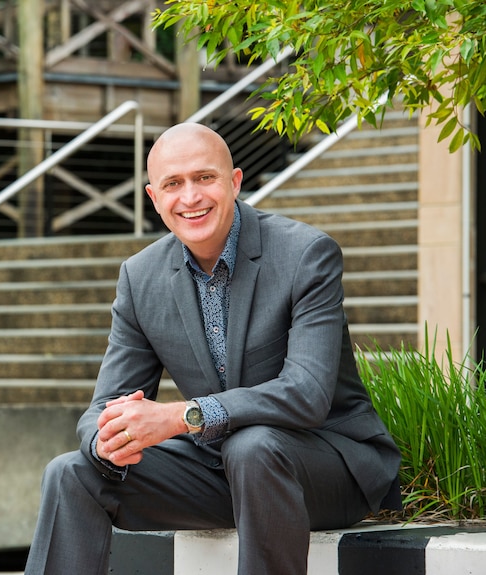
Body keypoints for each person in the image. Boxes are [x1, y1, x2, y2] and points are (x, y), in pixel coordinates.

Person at [23, 123, 401, 575]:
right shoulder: (141, 278)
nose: (190, 197)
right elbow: (102, 407)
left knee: (253, 447)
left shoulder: (305, 254)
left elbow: (307, 394)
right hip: (218, 469)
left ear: (235, 181)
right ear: (153, 198)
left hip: (323, 464)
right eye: (173, 184)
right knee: (70, 473)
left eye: (205, 178)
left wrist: (181, 416)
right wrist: (109, 440)